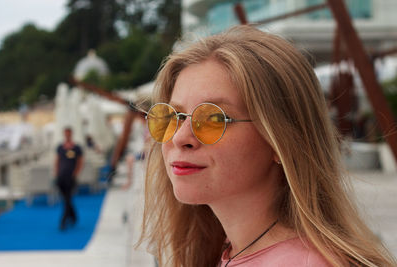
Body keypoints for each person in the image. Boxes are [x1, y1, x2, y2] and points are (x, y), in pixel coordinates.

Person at [137, 26, 396, 266]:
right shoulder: (232, 249)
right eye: (173, 116)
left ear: (280, 140)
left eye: (214, 118)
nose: (180, 137)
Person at [54, 127, 83, 230]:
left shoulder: (76, 148)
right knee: (66, 199)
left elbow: (80, 161)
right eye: (66, 134)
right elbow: (57, 161)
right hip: (61, 176)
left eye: (69, 134)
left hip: (70, 176)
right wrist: (56, 173)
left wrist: (75, 173)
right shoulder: (60, 147)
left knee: (67, 199)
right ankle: (74, 216)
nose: (67, 136)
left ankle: (63, 221)